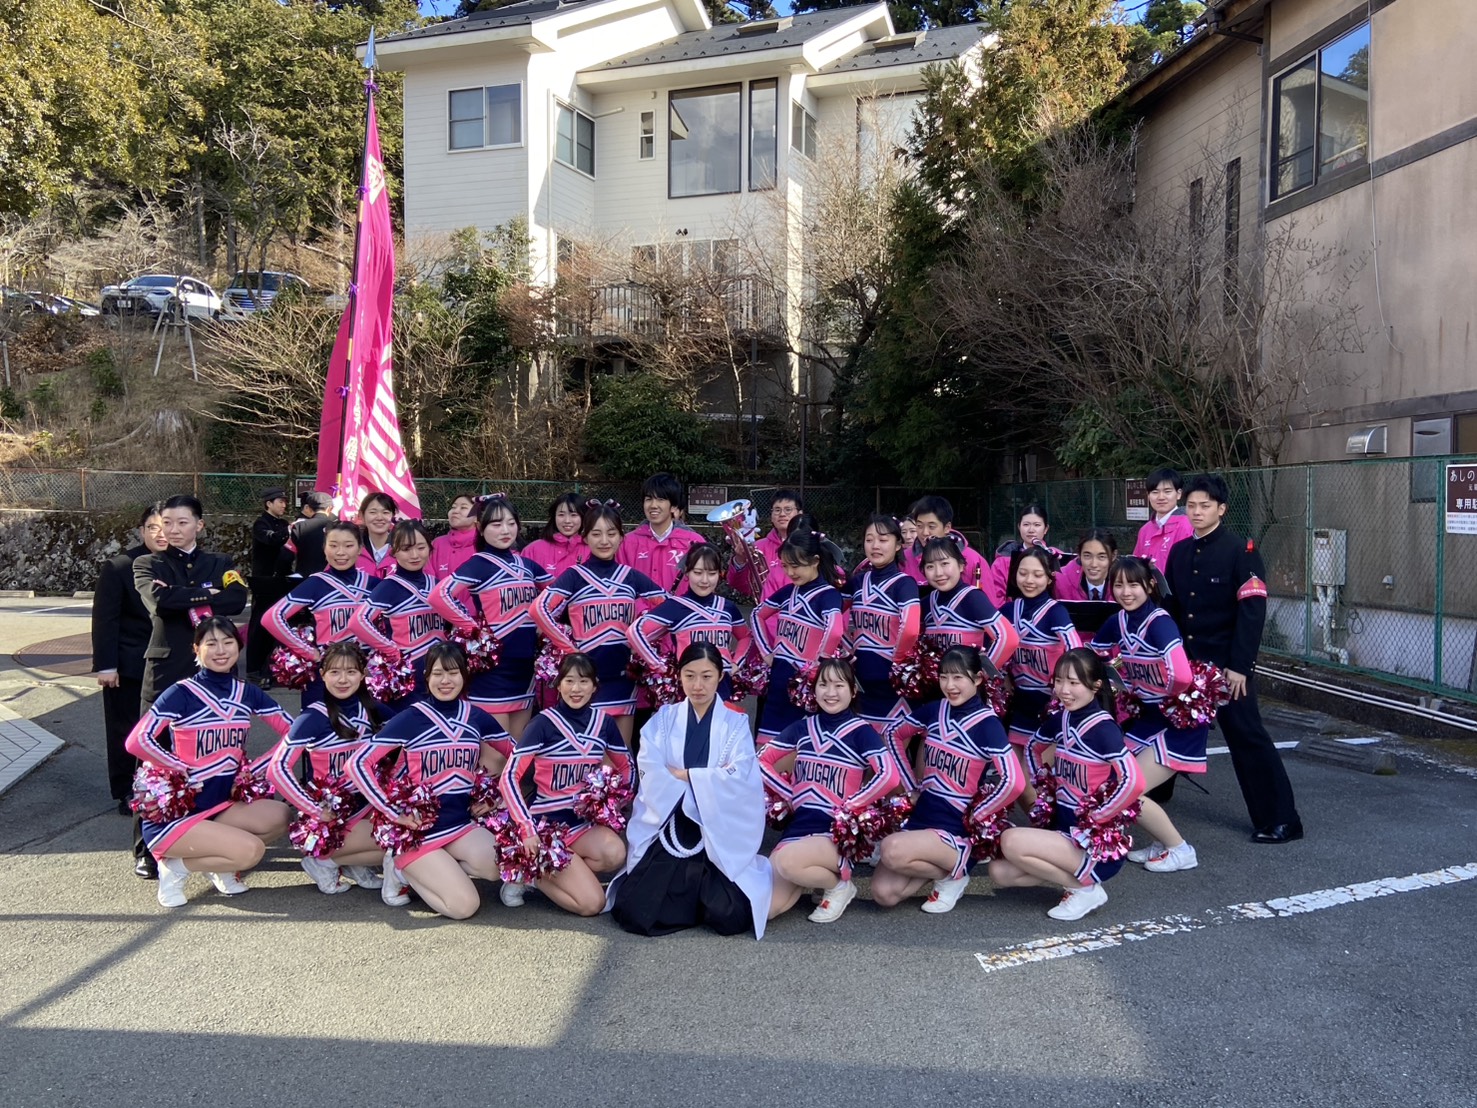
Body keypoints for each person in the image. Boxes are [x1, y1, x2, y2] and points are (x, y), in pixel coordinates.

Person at [1164, 473, 1302, 843]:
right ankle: (1155, 798)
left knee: (1246, 737)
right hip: (1186, 664)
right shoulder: (1179, 552)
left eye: (1205, 505)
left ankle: (1281, 819)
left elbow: (1252, 613)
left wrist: (1240, 666)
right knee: (1166, 728)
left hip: (1226, 667)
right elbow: (1173, 608)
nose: (1196, 512)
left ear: (1221, 509)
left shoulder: (1242, 552)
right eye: (1191, 505)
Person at [607, 643, 775, 938]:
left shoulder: (735, 723)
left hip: (717, 825)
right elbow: (651, 768)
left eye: (707, 676)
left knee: (730, 915)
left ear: (720, 676)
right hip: (670, 822)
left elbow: (741, 775)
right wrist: (707, 778)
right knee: (635, 911)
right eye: (690, 675)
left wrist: (689, 776)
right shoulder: (663, 720)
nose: (698, 685)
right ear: (679, 676)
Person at [126, 618, 293, 908]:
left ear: (238, 647)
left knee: (281, 816)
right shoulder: (182, 692)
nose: (221, 650)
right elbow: (137, 741)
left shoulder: (246, 692)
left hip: (221, 804)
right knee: (251, 852)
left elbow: (294, 734)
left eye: (228, 642)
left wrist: (254, 769)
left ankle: (219, 865)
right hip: (181, 813)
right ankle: (174, 868)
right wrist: (179, 768)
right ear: (196, 649)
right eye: (211, 643)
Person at [347, 643, 513, 918]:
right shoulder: (412, 718)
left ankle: (436, 870)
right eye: (437, 674)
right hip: (419, 833)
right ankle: (401, 869)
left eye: (453, 673)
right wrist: (392, 812)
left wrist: (497, 797)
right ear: (426, 677)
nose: (445, 681)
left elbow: (518, 756)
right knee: (464, 907)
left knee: (500, 865)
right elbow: (357, 764)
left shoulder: (475, 716)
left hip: (460, 825)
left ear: (464, 676)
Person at [990, 648, 1144, 921]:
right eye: (1059, 681)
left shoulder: (1103, 728)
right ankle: (1079, 885)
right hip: (1064, 830)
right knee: (999, 873)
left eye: (1074, 683)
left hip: (1092, 846)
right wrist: (1045, 788)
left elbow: (1134, 781)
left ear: (1095, 686)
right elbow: (1033, 748)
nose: (1064, 690)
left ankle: (1082, 889)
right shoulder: (1063, 718)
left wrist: (1099, 817)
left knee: (1010, 840)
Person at [872, 646, 1022, 914]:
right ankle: (950, 873)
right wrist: (910, 786)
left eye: (958, 677)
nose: (950, 685)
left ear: (978, 679)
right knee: (884, 894)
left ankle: (961, 861)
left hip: (955, 825)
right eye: (944, 677)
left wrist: (979, 814)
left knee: (891, 849)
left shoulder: (987, 724)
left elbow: (1014, 781)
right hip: (924, 813)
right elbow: (893, 733)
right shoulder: (936, 710)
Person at [762, 658, 900, 924]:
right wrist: (790, 794)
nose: (831, 692)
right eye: (823, 684)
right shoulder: (803, 727)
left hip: (833, 834)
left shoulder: (861, 732)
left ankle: (839, 885)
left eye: (839, 685)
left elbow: (889, 775)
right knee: (766, 910)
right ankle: (814, 879)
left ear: (853, 690)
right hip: (798, 829)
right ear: (813, 689)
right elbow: (761, 761)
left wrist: (849, 806)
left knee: (787, 862)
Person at [500, 653, 633, 916]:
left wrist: (615, 802)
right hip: (545, 829)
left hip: (581, 826)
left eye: (583, 681)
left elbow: (627, 766)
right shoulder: (543, 723)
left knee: (615, 853)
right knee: (592, 904)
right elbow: (509, 777)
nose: (576, 688)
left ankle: (556, 872)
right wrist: (526, 829)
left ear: (594, 686)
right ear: (558, 685)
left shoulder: (603, 723)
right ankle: (531, 874)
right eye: (569, 680)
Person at [1092, 556, 1202, 872]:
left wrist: (1161, 692)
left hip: (1178, 722)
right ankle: (1161, 841)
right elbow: (1094, 655)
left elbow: (1182, 675)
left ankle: (1181, 850)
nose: (1126, 592)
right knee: (1111, 778)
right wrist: (1118, 681)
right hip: (1149, 719)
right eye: (1118, 585)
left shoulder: (1160, 622)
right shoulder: (1119, 620)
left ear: (1150, 585)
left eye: (1134, 584)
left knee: (1126, 787)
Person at [531, 502, 665, 742]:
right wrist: (571, 650)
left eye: (611, 533)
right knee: (588, 751)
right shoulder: (575, 576)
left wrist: (641, 638)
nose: (604, 540)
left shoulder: (629, 576)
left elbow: (670, 609)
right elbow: (538, 610)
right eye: (596, 534)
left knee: (621, 751)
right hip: (586, 680)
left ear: (621, 537)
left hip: (623, 678)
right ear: (585, 537)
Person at [266, 642, 394, 895]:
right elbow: (277, 768)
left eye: (351, 672)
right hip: (331, 817)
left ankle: (351, 862)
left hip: (365, 807)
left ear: (363, 674)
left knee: (400, 837)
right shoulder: (313, 717)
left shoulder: (372, 709)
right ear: (322, 675)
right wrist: (314, 810)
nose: (343, 680)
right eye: (335, 672)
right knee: (394, 838)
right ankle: (323, 861)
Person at [429, 494, 551, 738]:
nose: (505, 530)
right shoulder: (479, 564)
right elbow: (438, 596)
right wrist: (474, 630)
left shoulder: (527, 565)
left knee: (516, 749)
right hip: (493, 669)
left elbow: (558, 594)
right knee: (494, 754)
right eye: (496, 524)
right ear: (480, 528)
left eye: (511, 523)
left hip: (524, 668)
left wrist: (544, 624)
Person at [94, 505, 169, 881]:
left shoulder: (180, 565)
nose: (161, 533)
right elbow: (105, 619)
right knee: (125, 729)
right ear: (141, 531)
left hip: (169, 663)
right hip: (128, 663)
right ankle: (125, 788)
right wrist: (106, 665)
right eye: (152, 527)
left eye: (166, 526)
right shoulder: (120, 566)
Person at [134, 494, 249, 708]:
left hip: (216, 667)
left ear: (199, 525)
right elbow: (159, 602)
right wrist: (208, 594)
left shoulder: (220, 562)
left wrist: (178, 595)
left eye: (182, 523)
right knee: (158, 729)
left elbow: (236, 600)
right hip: (168, 670)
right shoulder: (148, 563)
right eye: (167, 523)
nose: (173, 530)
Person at [1003, 546, 1083, 809]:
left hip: (1049, 709)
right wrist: (1002, 676)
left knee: (1033, 781)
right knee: (1013, 780)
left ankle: (1049, 827)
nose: (1029, 580)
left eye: (1037, 575)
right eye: (1023, 573)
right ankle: (1040, 826)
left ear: (1050, 578)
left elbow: (1076, 653)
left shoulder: (1055, 612)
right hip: (1021, 706)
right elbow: (992, 651)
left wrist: (1064, 688)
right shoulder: (1008, 610)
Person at [263, 520, 375, 707]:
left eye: (348, 545)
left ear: (360, 548)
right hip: (326, 673)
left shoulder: (373, 585)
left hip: (363, 673)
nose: (340, 552)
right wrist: (308, 652)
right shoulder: (316, 583)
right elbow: (271, 618)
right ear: (324, 548)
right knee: (319, 722)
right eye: (333, 545)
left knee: (366, 722)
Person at [844, 514, 921, 784]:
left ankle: (909, 807)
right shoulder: (858, 582)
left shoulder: (904, 583)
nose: (875, 545)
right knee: (866, 767)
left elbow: (911, 629)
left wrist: (896, 663)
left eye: (883, 539)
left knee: (890, 768)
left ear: (898, 544)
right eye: (869, 539)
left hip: (893, 693)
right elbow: (829, 614)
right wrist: (846, 651)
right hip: (863, 689)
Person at [750, 529, 846, 742]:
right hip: (777, 684)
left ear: (815, 561)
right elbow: (757, 614)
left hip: (803, 689)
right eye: (785, 566)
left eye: (796, 566)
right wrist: (766, 653)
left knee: (800, 748)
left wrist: (818, 664)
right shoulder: (788, 592)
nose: (790, 572)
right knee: (765, 750)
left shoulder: (827, 595)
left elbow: (835, 630)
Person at [629, 544, 749, 701]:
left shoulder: (727, 607)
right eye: (698, 573)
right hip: (689, 688)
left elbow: (745, 636)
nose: (704, 580)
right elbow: (634, 631)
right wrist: (659, 666)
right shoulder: (675, 606)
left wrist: (736, 663)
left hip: (722, 685)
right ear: (687, 572)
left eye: (712, 573)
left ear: (720, 574)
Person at [348, 519, 446, 707]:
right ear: (393, 551)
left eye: (421, 547)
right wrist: (391, 650)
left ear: (430, 548)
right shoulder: (389, 586)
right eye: (406, 549)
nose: (415, 555)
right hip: (407, 677)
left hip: (439, 673)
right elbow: (357, 621)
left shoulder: (436, 584)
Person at [919, 536, 1019, 672]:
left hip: (968, 685)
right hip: (937, 683)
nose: (938, 573)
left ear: (961, 565)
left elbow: (1008, 638)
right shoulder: (927, 602)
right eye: (930, 566)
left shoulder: (972, 597)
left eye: (944, 563)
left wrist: (983, 674)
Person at [618, 473, 704, 593]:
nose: (653, 505)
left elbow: (704, 584)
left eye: (661, 499)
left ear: (673, 506)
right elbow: (620, 587)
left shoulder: (694, 543)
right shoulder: (627, 543)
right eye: (649, 499)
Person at [245, 488, 293, 681]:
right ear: (269, 503)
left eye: (284, 501)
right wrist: (289, 531)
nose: (283, 505)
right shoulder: (261, 524)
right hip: (264, 581)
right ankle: (254, 668)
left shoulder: (284, 523)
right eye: (280, 501)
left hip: (282, 579)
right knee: (260, 624)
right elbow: (271, 539)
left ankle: (274, 668)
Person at [985, 502, 1071, 608]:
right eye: (1026, 524)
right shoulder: (1003, 561)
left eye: (1037, 525)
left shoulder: (1056, 556)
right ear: (1019, 527)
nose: (1031, 530)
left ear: (1046, 529)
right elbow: (996, 598)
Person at [727, 488, 802, 605]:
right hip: (767, 614)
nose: (782, 514)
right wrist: (740, 560)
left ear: (800, 514)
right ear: (771, 516)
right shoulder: (758, 547)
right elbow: (742, 586)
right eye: (777, 510)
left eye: (788, 509)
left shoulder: (813, 544)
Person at [903, 495, 989, 593]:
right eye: (919, 526)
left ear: (947, 527)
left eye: (931, 526)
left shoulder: (973, 560)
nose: (925, 532)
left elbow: (988, 600)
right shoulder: (904, 558)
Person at [1134, 467, 1195, 573]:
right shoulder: (1145, 530)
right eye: (1155, 492)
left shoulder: (1188, 525)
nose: (1161, 497)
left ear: (1179, 494)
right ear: (1148, 495)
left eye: (1167, 491)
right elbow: (1134, 567)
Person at [521, 492, 588, 578]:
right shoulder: (533, 549)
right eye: (561, 515)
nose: (567, 520)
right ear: (554, 517)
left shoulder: (592, 550)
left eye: (574, 515)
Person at [1055, 529, 1119, 603]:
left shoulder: (1124, 583)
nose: (1094, 564)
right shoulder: (1059, 580)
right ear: (1079, 554)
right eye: (1087, 556)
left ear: (1113, 556)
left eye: (1101, 557)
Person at [430, 493, 479, 580]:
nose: (455, 511)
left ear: (477, 517)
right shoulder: (437, 544)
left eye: (463, 507)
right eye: (453, 507)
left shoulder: (485, 544)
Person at [290, 491, 336, 577]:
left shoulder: (298, 526)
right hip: (330, 577)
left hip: (304, 578)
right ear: (329, 508)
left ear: (310, 508)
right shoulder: (338, 527)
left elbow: (286, 555)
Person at [355, 491, 398, 580]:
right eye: (373, 512)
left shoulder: (402, 548)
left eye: (385, 512)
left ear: (393, 515)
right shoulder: (351, 548)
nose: (379, 518)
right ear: (361, 515)